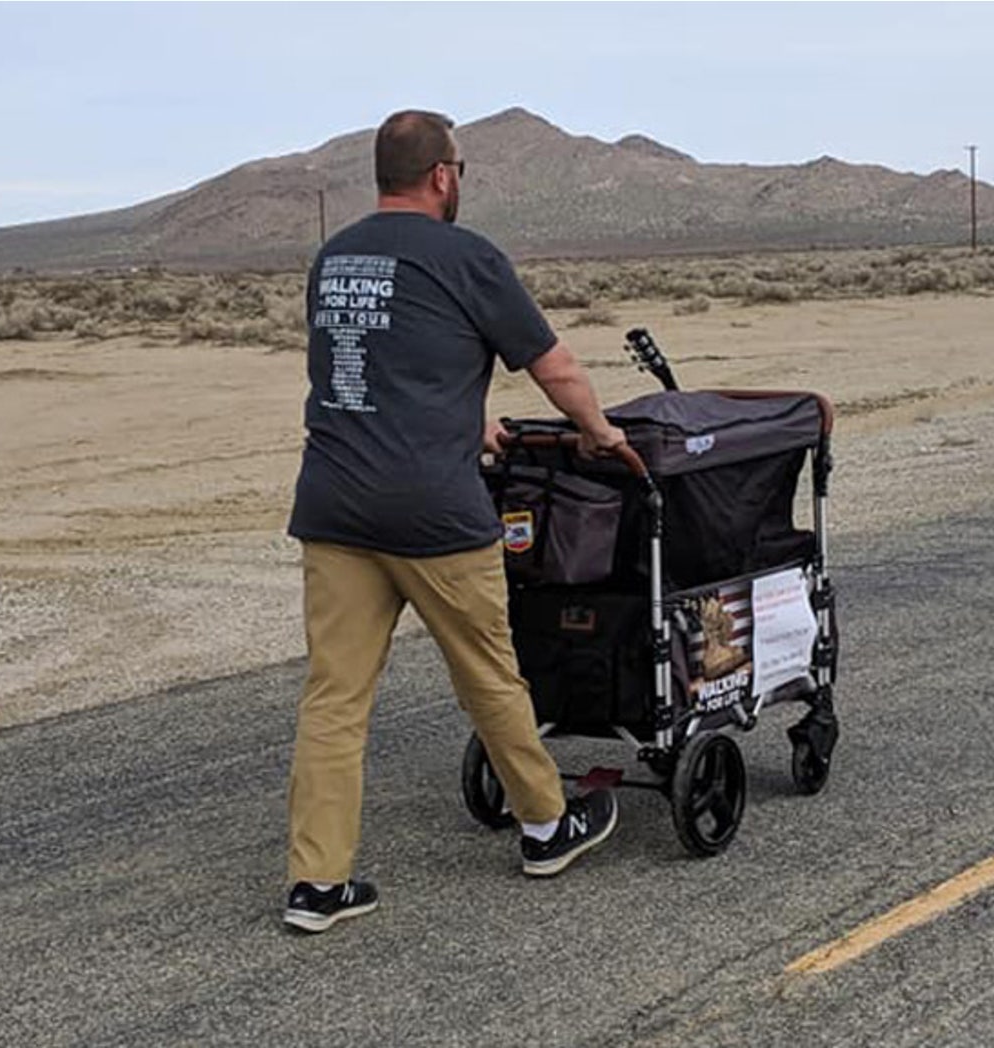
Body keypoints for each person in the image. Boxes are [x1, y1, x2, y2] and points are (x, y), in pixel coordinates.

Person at [281, 109, 628, 933]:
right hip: (435, 514)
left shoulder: (334, 260)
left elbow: (369, 366)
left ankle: (316, 886)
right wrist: (601, 432)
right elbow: (557, 367)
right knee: (489, 675)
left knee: (333, 702)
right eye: (460, 169)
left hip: (334, 509)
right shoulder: (468, 256)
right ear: (442, 175)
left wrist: (464, 416)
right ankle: (546, 826)